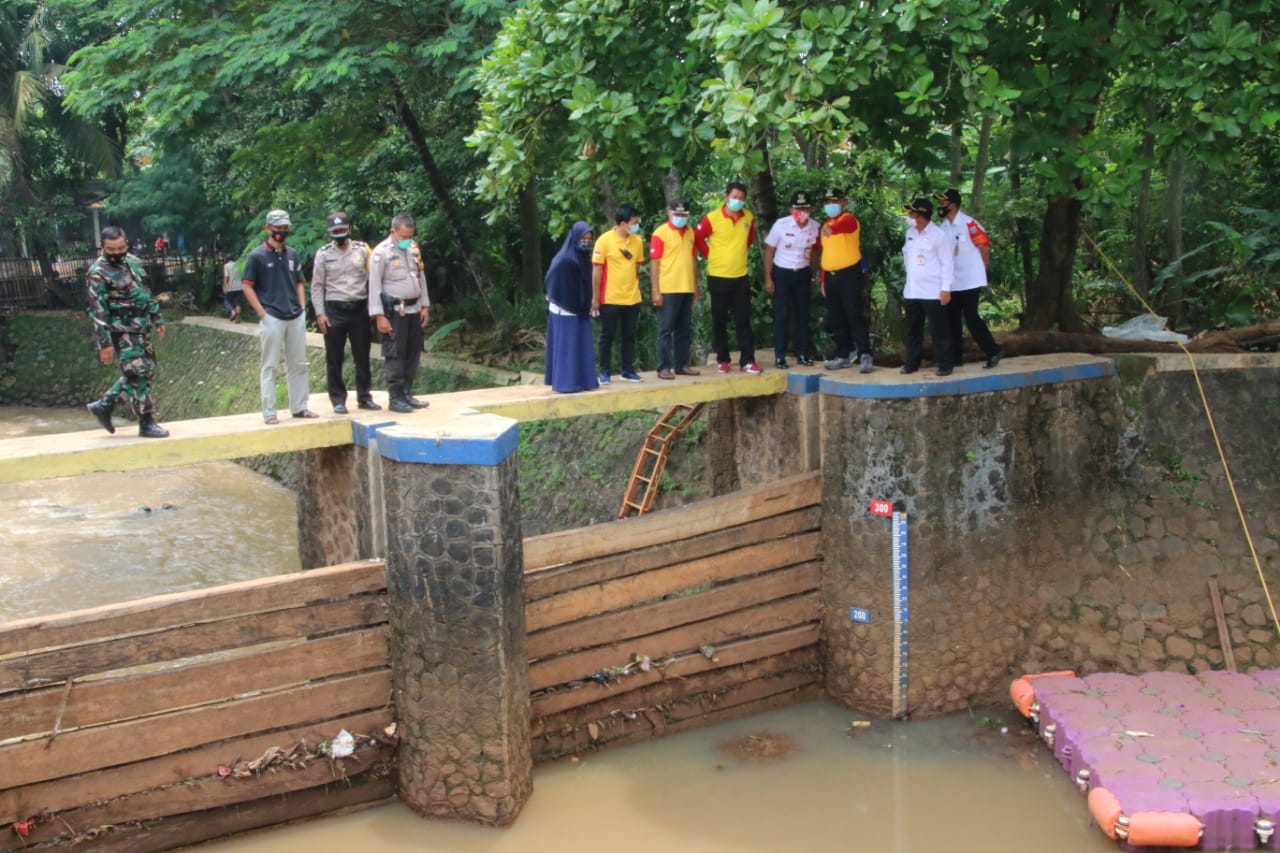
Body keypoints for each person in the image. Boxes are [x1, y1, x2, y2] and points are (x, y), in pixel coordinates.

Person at [85, 226, 170, 438]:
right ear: (103, 247)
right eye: (111, 249)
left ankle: (105, 404)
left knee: (146, 369)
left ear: (126, 245)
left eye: (121, 247)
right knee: (138, 374)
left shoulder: (132, 262)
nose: (117, 252)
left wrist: (156, 316)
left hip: (140, 325)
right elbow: (98, 311)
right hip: (121, 329)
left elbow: (144, 291)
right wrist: (103, 343)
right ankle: (146, 421)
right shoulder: (97, 273)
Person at [242, 209, 318, 424]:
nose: (282, 233)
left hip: (295, 315)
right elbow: (247, 286)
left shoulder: (292, 254)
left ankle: (300, 407)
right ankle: (269, 411)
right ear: (268, 229)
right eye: (278, 229)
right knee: (270, 365)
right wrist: (261, 312)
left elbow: (299, 281)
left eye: (285, 229)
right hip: (272, 316)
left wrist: (302, 308)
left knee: (299, 363)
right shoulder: (256, 256)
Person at [311, 212, 380, 414]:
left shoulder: (363, 250)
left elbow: (374, 277)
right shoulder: (323, 254)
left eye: (342, 230)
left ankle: (365, 397)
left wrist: (375, 309)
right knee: (334, 358)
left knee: (363, 356)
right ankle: (338, 400)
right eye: (335, 232)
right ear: (330, 233)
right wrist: (320, 314)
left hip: (359, 308)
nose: (339, 235)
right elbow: (317, 286)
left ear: (349, 229)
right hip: (334, 310)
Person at [695, 181, 761, 374]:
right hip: (718, 276)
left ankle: (747, 361)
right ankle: (723, 359)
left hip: (740, 276)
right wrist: (709, 254)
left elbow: (748, 239)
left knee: (743, 320)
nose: (737, 201)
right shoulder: (712, 218)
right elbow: (698, 238)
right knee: (719, 320)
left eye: (741, 198)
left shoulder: (748, 217)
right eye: (734, 197)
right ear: (726, 197)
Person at [934, 188, 1003, 369]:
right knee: (952, 320)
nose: (939, 206)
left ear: (953, 205)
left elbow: (984, 246)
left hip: (971, 280)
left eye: (943, 203)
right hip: (952, 282)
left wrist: (981, 268)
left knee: (971, 318)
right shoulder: (942, 229)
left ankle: (993, 351)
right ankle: (956, 357)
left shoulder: (970, 224)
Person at [369, 213, 431, 413]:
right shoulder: (381, 253)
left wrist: (425, 306)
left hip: (414, 309)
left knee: (413, 352)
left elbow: (421, 278)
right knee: (395, 353)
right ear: (393, 232)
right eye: (403, 237)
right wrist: (379, 315)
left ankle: (407, 393)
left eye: (410, 236)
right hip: (395, 311)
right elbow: (374, 286)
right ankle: (395, 398)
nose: (407, 241)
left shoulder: (413, 249)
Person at [763, 191, 820, 368]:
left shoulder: (815, 226)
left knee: (803, 315)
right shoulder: (781, 225)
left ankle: (802, 353)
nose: (801, 212)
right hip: (782, 274)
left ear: (810, 209)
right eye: (797, 208)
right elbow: (769, 251)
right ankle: (780, 356)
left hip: (802, 273)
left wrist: (814, 272)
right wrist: (768, 278)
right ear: (791, 209)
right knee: (782, 316)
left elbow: (816, 251)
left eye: (804, 208)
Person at [819, 188, 873, 373]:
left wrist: (830, 229)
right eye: (827, 202)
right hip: (831, 277)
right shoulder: (825, 225)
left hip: (849, 274)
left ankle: (865, 353)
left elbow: (842, 227)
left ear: (843, 203)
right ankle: (844, 353)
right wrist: (823, 279)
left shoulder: (849, 219)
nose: (830, 205)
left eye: (834, 201)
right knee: (836, 316)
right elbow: (826, 254)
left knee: (854, 313)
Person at [591, 204, 646, 383]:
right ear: (622, 224)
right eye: (634, 222)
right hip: (610, 297)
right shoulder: (604, 240)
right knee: (607, 336)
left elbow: (637, 266)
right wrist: (595, 298)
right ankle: (604, 371)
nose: (636, 225)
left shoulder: (637, 241)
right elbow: (597, 270)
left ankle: (627, 370)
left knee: (629, 335)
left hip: (632, 297)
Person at [899, 197, 954, 377]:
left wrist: (945, 288)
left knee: (939, 330)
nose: (909, 215)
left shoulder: (939, 235)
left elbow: (947, 263)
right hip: (912, 290)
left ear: (920, 214)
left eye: (912, 212)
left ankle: (945, 364)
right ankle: (911, 363)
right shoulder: (910, 233)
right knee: (913, 330)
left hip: (933, 291)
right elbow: (907, 258)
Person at [544, 221, 599, 393]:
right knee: (567, 348)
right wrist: (557, 297)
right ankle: (565, 384)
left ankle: (584, 381)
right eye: (583, 238)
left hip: (581, 309)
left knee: (581, 346)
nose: (586, 241)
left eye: (589, 238)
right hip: (565, 308)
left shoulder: (583, 258)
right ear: (575, 237)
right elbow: (551, 279)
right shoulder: (563, 259)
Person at [650, 199, 701, 380]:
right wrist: (655, 290)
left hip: (686, 286)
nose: (680, 217)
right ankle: (663, 367)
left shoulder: (690, 233)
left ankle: (682, 365)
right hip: (668, 288)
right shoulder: (660, 233)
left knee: (684, 329)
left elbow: (693, 260)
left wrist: (695, 287)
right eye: (677, 214)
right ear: (669, 212)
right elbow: (654, 264)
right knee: (666, 329)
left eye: (684, 215)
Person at [222, 255, 243, 322]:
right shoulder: (238, 265)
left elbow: (226, 277)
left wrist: (224, 286)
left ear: (226, 259)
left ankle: (233, 312)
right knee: (238, 302)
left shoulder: (226, 266)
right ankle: (237, 317)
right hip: (240, 286)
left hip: (230, 287)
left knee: (226, 301)